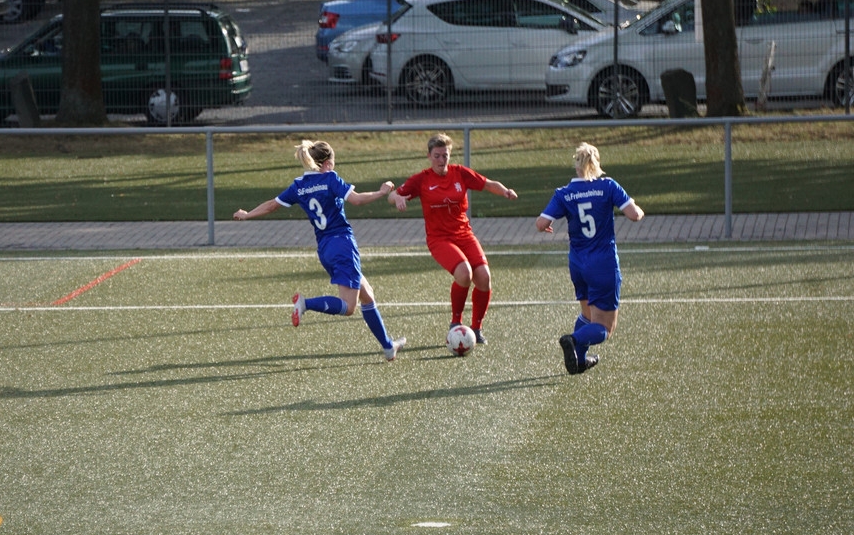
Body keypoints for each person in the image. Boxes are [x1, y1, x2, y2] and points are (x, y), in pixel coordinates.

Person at [233, 140, 407, 361]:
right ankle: (306, 303)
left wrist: (247, 214)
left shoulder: (299, 185)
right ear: (327, 163)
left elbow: (271, 205)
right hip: (342, 244)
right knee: (348, 306)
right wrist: (382, 192)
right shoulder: (330, 179)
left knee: (367, 294)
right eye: (333, 162)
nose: (334, 166)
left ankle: (387, 347)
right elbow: (357, 200)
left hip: (325, 248)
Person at [388, 133, 517, 345]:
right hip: (440, 239)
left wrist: (505, 192)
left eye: (445, 155)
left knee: (484, 276)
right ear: (429, 156)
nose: (441, 160)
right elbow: (392, 195)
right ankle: (455, 323)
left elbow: (487, 183)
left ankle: (476, 328)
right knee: (464, 273)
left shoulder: (460, 173)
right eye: (437, 156)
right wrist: (399, 198)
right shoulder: (422, 179)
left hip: (464, 234)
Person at [536, 142, 645, 375]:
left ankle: (580, 360)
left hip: (578, 264)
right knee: (606, 327)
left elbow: (541, 224)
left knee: (587, 315)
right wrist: (638, 208)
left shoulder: (564, 192)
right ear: (597, 164)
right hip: (603, 263)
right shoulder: (607, 186)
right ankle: (574, 340)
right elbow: (634, 215)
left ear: (577, 165)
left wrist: (551, 223)